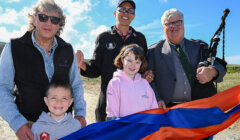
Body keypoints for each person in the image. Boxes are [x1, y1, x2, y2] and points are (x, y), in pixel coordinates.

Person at [0, 0, 86, 139]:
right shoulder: (13, 48)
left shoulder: (67, 49)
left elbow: (75, 84)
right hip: (30, 127)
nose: (48, 23)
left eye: (55, 20)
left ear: (59, 25)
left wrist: (81, 113)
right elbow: (2, 88)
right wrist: (18, 123)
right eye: (43, 17)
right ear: (34, 20)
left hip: (65, 126)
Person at [76, 0, 150, 122]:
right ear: (115, 13)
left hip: (134, 100)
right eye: (122, 9)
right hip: (107, 100)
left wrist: (147, 74)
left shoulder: (140, 38)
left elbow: (144, 67)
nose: (126, 12)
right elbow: (95, 71)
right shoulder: (104, 37)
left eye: (130, 10)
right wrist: (82, 64)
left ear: (134, 15)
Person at [147, 8, 226, 108]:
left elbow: (220, 67)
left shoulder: (200, 46)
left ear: (183, 24)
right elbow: (149, 80)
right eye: (168, 23)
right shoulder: (153, 51)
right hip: (169, 109)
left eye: (178, 22)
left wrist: (212, 71)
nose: (174, 26)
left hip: (201, 106)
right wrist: (157, 98)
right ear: (163, 27)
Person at [106, 44, 158, 120]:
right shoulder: (115, 83)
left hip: (145, 128)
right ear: (122, 60)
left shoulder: (144, 83)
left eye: (137, 62)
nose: (133, 65)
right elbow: (112, 114)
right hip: (125, 129)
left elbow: (154, 108)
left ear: (141, 63)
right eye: (129, 60)